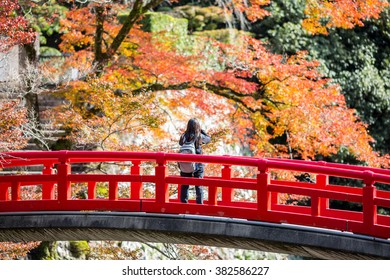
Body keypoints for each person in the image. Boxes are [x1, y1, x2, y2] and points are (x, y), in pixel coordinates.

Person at [179, 118, 211, 204]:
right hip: (198, 163)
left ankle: (183, 203)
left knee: (184, 184)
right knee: (199, 184)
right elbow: (208, 139)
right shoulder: (200, 136)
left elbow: (180, 144)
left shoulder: (183, 136)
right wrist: (202, 131)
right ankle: (199, 204)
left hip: (186, 162)